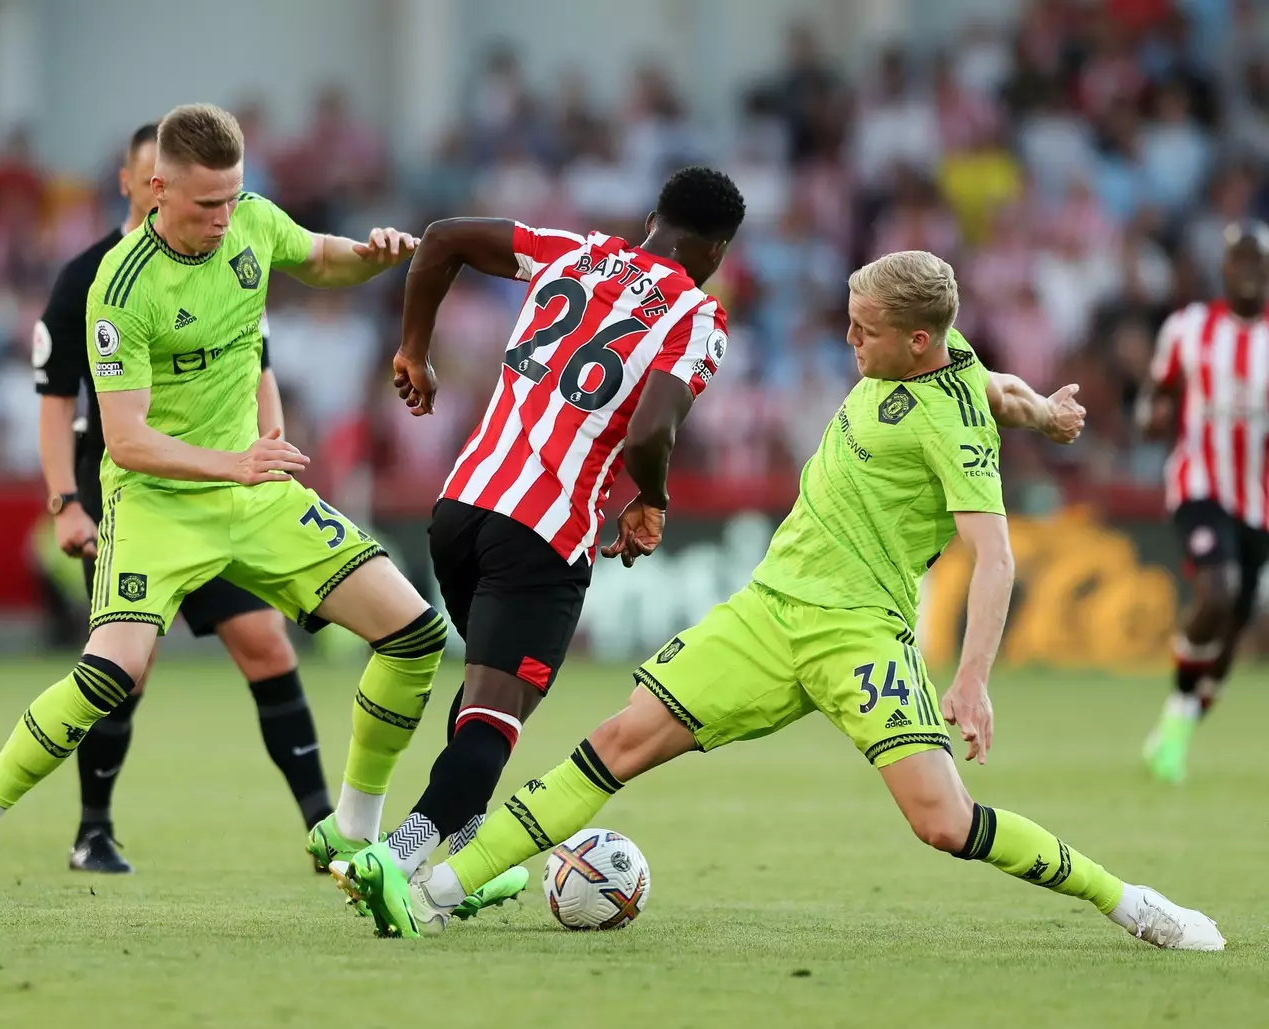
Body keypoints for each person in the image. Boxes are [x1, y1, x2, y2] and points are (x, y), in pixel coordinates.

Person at [335, 250, 1224, 952]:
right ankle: (430, 895)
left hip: (858, 638)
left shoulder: (949, 425)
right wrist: (1038, 411)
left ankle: (1131, 902)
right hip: (765, 613)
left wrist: (974, 680)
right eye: (849, 322)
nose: (849, 342)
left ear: (917, 343)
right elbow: (992, 383)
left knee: (944, 823)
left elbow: (994, 557)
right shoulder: (940, 354)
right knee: (614, 742)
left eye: (863, 331)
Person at [0, 103, 443, 916]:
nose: (223, 219)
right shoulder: (117, 288)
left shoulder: (252, 221)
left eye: (231, 198)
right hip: (157, 501)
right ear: (156, 188)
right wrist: (237, 462)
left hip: (254, 493)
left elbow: (323, 260)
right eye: (204, 205)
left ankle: (351, 833)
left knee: (414, 632)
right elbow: (126, 440)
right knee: (109, 674)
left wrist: (374, 256)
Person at [312, 167, 745, 927]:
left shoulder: (573, 253)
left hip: (461, 507)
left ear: (651, 218)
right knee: (494, 720)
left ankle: (465, 861)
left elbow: (441, 240)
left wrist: (413, 350)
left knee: (481, 694)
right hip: (543, 532)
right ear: (713, 251)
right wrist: (652, 498)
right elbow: (650, 429)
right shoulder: (696, 314)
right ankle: (399, 855)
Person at [34, 121, 334, 873]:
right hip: (132, 497)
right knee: (126, 669)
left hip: (221, 490)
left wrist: (271, 442)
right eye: (144, 175)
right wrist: (66, 501)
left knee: (265, 641)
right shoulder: (92, 279)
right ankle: (93, 828)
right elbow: (53, 399)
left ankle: (325, 825)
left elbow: (255, 360)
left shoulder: (224, 258)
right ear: (136, 182)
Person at [1139, 221, 1269, 784]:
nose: (1246, 269)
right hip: (1200, 483)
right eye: (1238, 258)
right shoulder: (1189, 329)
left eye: (1256, 260)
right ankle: (1176, 713)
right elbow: (1157, 393)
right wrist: (1151, 417)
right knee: (1217, 591)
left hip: (1259, 499)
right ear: (1224, 267)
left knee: (1234, 630)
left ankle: (1181, 718)